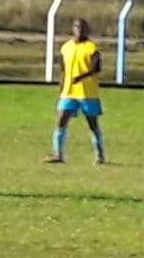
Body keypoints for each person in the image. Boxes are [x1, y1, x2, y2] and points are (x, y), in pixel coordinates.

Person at [44, 17, 104, 165]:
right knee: (60, 121)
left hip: (87, 93)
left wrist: (81, 77)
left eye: (82, 27)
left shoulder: (92, 48)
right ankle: (57, 154)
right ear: (73, 28)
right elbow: (64, 71)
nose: (79, 29)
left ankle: (99, 154)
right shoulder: (66, 48)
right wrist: (61, 88)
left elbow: (96, 68)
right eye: (77, 26)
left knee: (92, 124)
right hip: (68, 92)